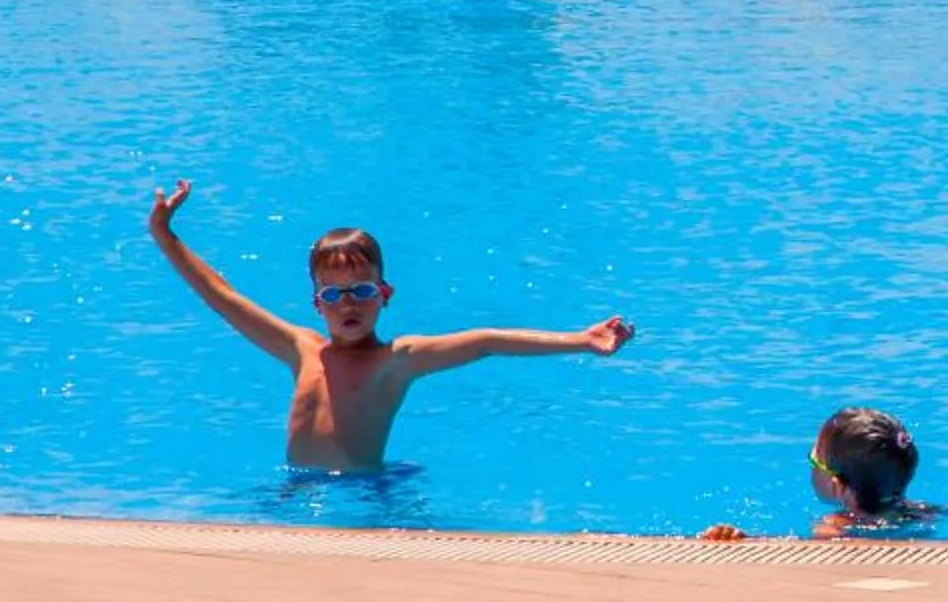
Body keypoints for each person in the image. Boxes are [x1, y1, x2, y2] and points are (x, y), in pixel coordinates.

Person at [147, 180, 633, 473]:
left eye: (361, 291)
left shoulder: (396, 361)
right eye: (334, 295)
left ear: (384, 295)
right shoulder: (302, 350)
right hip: (297, 489)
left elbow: (485, 342)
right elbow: (223, 297)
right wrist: (165, 236)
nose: (348, 304)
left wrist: (581, 340)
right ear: (317, 304)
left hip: (364, 492)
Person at [700, 406, 934, 540]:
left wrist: (748, 541)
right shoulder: (923, 513)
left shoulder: (833, 526)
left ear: (836, 485)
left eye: (814, 461)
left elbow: (804, 557)